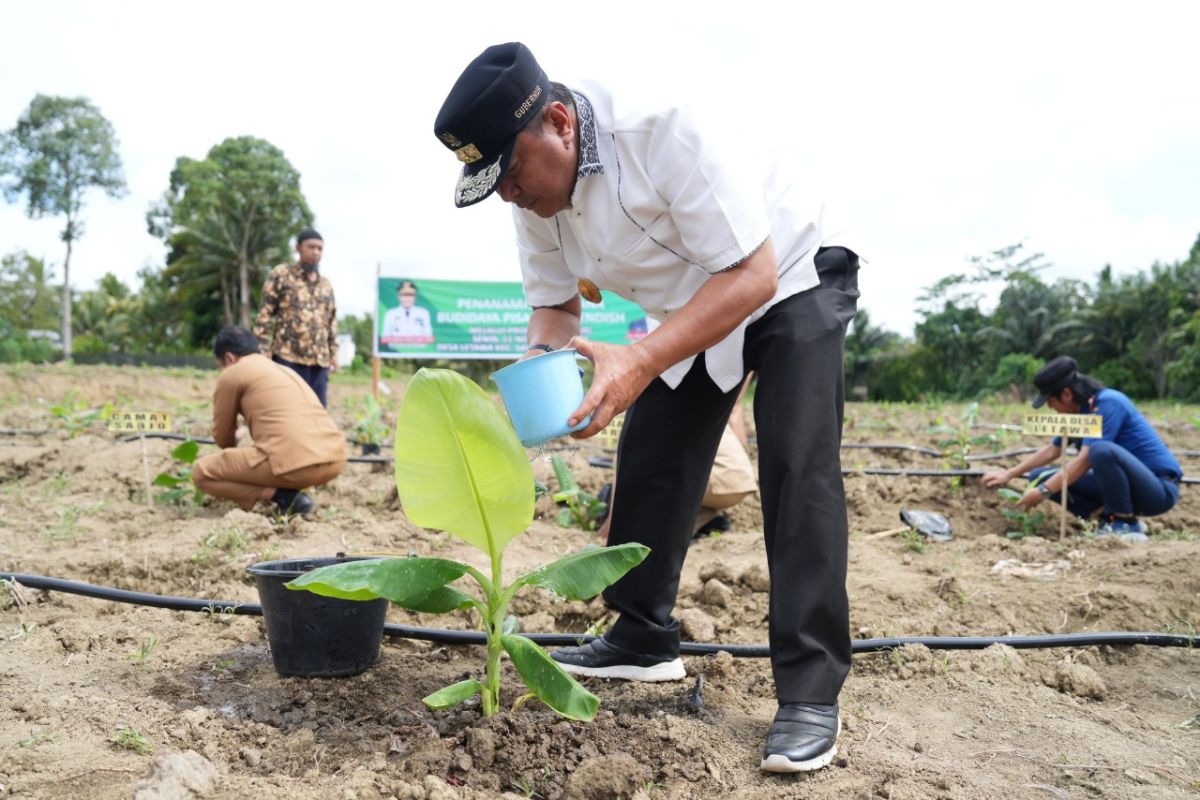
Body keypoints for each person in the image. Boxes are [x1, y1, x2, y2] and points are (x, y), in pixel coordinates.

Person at [434, 43, 861, 773]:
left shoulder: (663, 127)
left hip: (789, 275)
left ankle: (810, 690)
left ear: (561, 124)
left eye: (509, 174)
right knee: (655, 455)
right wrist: (546, 368)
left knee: (798, 465)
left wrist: (637, 359)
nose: (508, 194)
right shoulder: (535, 196)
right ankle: (641, 637)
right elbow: (553, 309)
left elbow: (750, 274)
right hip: (691, 306)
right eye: (493, 183)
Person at [982, 355, 1182, 540]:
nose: (1050, 408)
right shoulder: (1079, 413)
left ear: (1066, 394)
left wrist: (1043, 492)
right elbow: (1053, 450)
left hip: (1157, 489)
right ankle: (1107, 519)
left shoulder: (1109, 403)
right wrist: (1010, 473)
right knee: (1039, 476)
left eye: (1050, 401)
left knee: (1101, 450)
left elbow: (1086, 459)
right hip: (1125, 488)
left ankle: (1125, 522)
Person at [193, 326, 348, 516]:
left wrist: (235, 436)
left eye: (220, 366)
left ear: (229, 358)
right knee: (263, 457)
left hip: (295, 465)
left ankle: (284, 497)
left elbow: (223, 439)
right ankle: (289, 492)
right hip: (334, 459)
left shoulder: (233, 373)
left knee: (202, 472)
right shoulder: (282, 369)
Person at [253, 227, 338, 406]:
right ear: (298, 248)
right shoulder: (282, 275)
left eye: (320, 248)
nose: (316, 252)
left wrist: (333, 353)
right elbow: (265, 313)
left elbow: (331, 321)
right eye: (311, 247)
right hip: (287, 357)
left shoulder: (326, 285)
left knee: (317, 411)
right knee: (286, 408)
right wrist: (262, 348)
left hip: (318, 361)